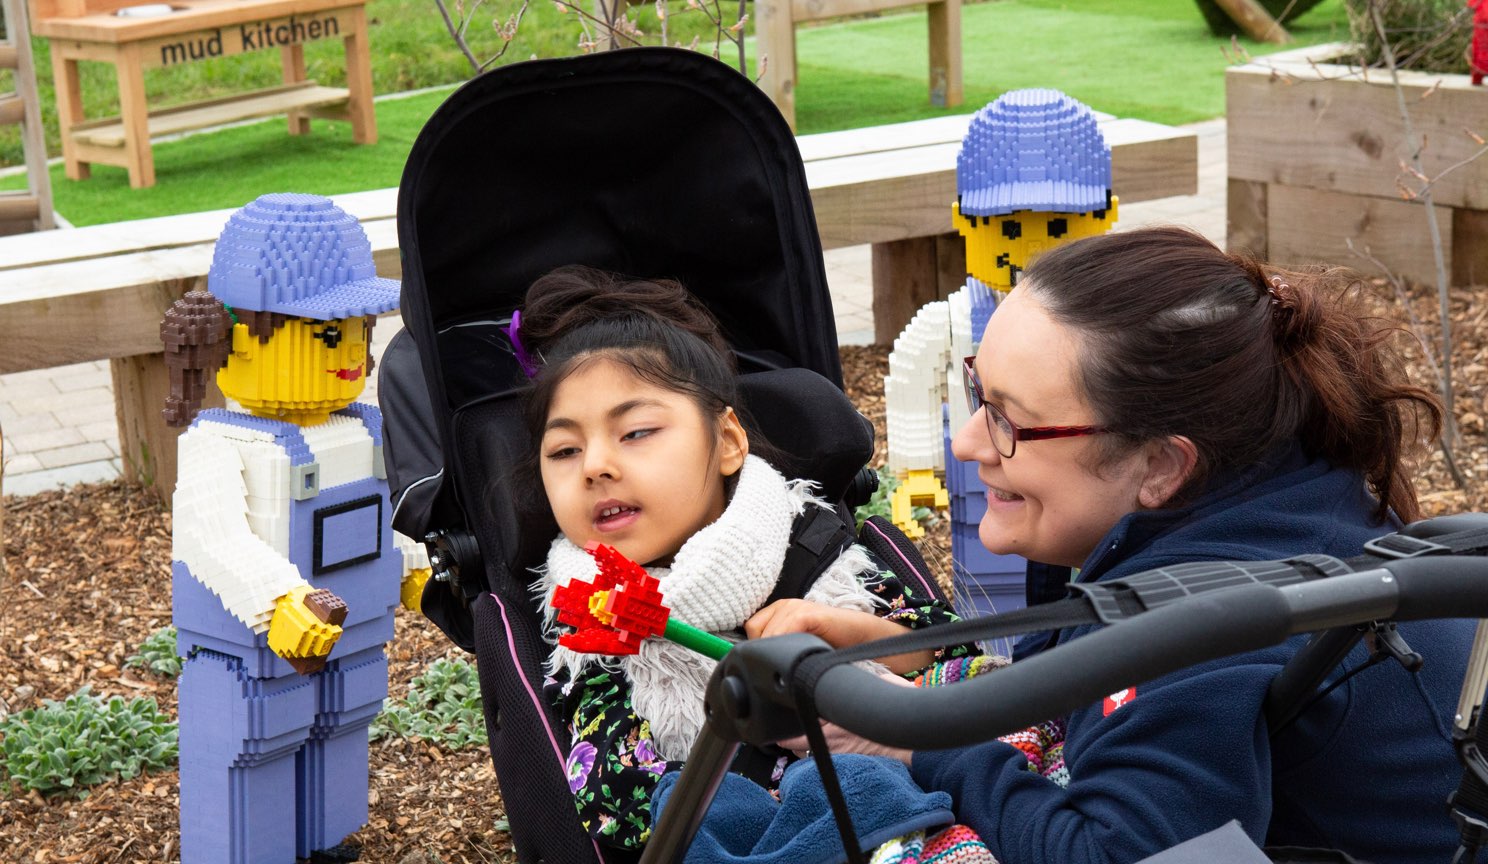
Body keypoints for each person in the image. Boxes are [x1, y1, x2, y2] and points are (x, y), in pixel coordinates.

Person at [747, 226, 1472, 863]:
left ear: (1159, 465)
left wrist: (915, 741)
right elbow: (1078, 676)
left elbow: (1117, 851)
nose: (967, 443)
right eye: (978, 394)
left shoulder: (1203, 629)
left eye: (1007, 419)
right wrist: (907, 653)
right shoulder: (1289, 495)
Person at [517, 265, 969, 853]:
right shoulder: (593, 625)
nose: (594, 465)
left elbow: (956, 652)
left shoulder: (810, 545)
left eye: (636, 432)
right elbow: (617, 799)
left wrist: (843, 631)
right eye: (565, 449)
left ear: (728, 441)